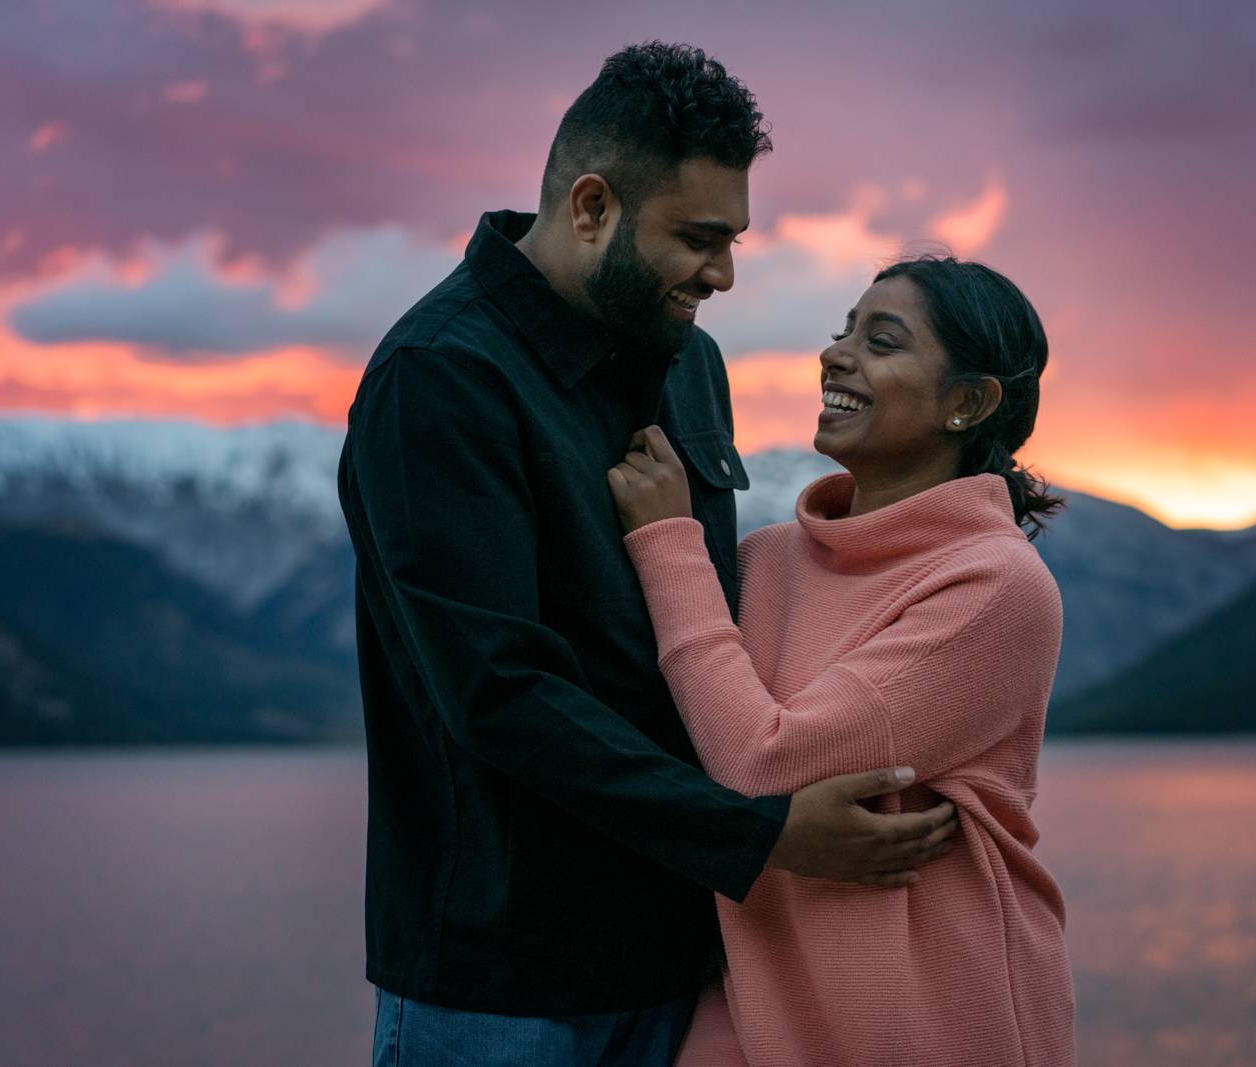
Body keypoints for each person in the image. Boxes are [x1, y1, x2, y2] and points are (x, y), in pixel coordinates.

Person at [336, 42, 959, 1066]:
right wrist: (759, 836)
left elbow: (708, 629)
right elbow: (498, 692)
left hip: (683, 969)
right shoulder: (437, 378)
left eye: (733, 240)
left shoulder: (691, 363)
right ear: (590, 207)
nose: (721, 272)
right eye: (699, 238)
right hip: (502, 988)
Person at [609, 257, 1077, 1065]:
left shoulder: (997, 586)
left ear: (968, 402)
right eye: (842, 331)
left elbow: (764, 760)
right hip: (750, 1006)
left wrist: (667, 542)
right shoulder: (766, 561)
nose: (837, 354)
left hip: (933, 1021)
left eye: (883, 341)